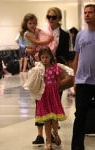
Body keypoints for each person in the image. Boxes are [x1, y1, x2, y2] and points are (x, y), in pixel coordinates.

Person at [32, 7, 70, 145]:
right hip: (41, 71)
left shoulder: (65, 35)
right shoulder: (41, 32)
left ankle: (54, 133)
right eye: (49, 17)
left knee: (54, 106)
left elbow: (66, 54)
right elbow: (33, 46)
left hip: (55, 73)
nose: (51, 19)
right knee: (39, 105)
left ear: (59, 18)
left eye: (54, 17)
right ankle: (40, 135)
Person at [71, 4, 95, 150]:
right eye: (85, 12)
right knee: (80, 116)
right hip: (83, 82)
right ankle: (77, 147)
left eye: (90, 12)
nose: (87, 14)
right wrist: (75, 79)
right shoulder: (80, 35)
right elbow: (76, 58)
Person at [35, 47, 68, 150]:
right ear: (40, 58)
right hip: (43, 96)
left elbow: (59, 82)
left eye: (47, 57)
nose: (45, 59)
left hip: (53, 95)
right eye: (42, 57)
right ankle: (48, 142)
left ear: (51, 57)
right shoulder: (39, 69)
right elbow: (35, 82)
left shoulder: (55, 68)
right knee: (46, 120)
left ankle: (56, 133)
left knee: (54, 119)